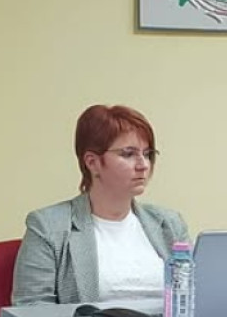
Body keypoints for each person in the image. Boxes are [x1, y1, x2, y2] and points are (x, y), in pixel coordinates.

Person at [12, 104, 189, 305]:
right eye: (128, 154)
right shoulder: (48, 226)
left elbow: (196, 295)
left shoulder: (169, 223)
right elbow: (31, 308)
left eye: (147, 154)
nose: (143, 165)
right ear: (92, 162)